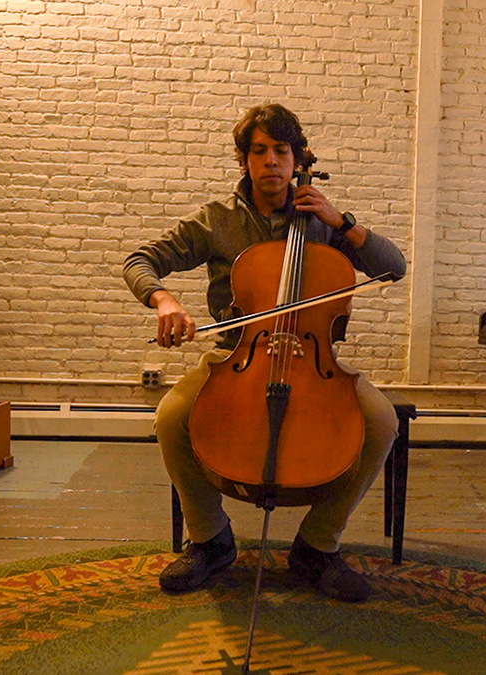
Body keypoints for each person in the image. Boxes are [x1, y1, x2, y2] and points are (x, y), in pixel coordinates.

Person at [122, 104, 407, 602]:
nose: (271, 161)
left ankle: (318, 547)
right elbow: (140, 260)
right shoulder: (216, 220)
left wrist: (343, 223)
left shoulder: (322, 221)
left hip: (314, 359)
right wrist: (163, 299)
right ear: (245, 159)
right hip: (237, 354)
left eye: (281, 150)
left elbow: (393, 267)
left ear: (297, 159)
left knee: (381, 422)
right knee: (171, 417)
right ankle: (210, 540)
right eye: (259, 151)